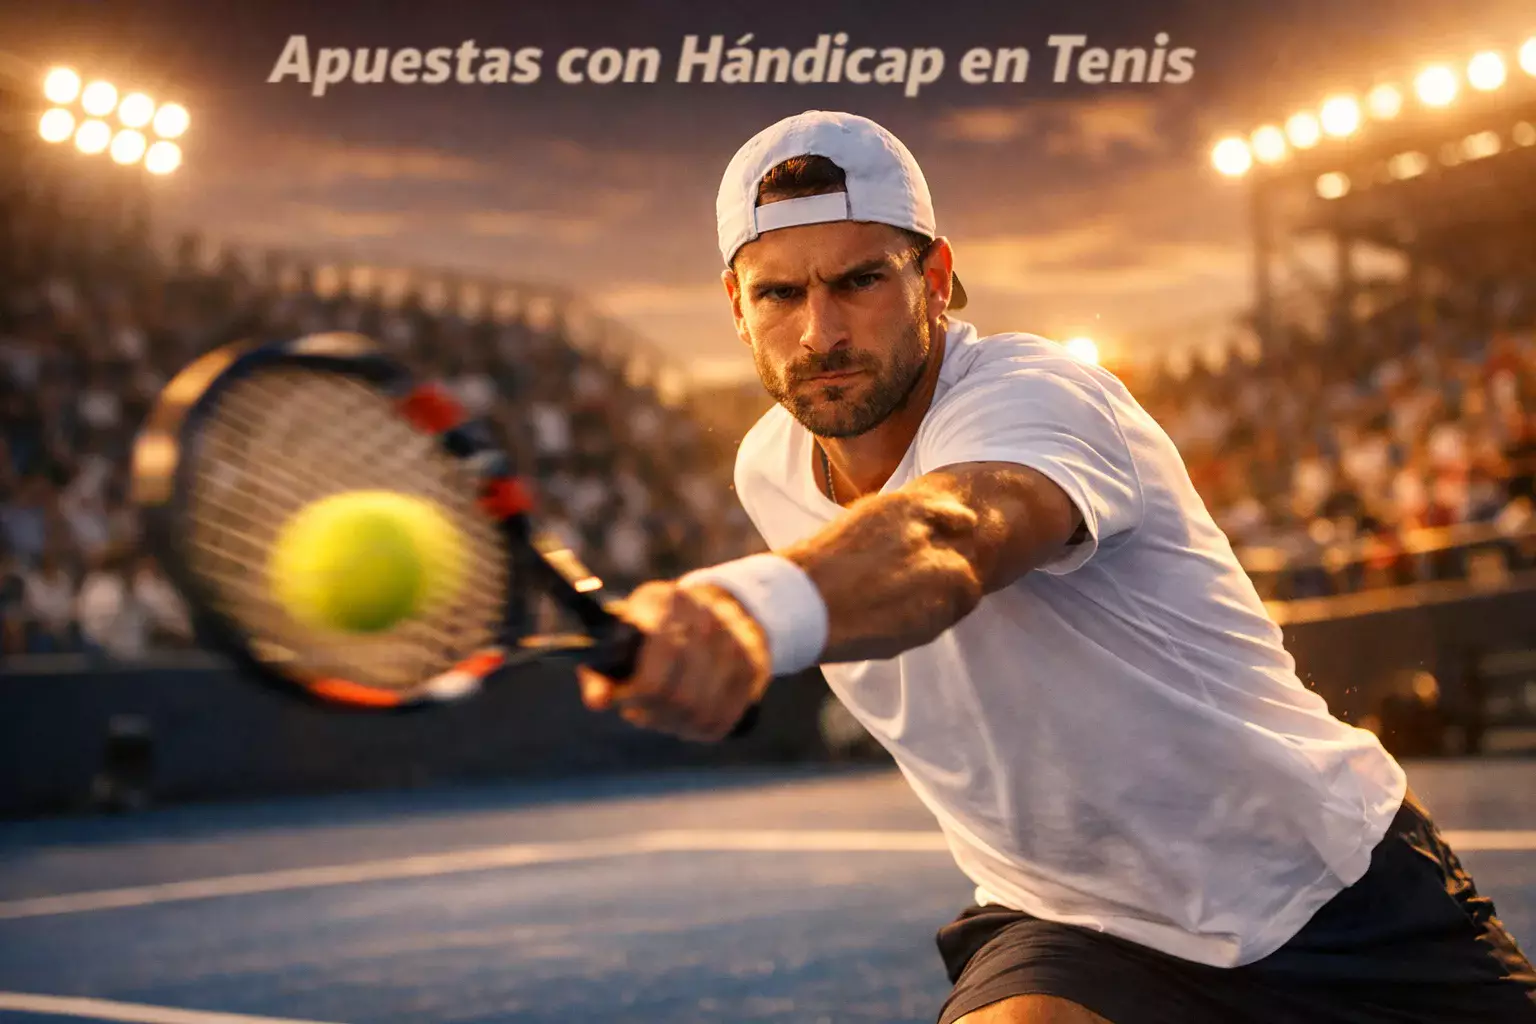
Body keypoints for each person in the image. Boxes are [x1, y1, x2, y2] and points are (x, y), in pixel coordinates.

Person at [575, 110, 1536, 1023]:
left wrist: (753, 610)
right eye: (779, 294)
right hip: (1071, 926)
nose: (820, 333)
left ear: (936, 279)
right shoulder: (766, 468)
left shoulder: (1043, 392)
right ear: (736, 308)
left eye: (860, 281)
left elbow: (952, 533)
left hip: (1333, 894)